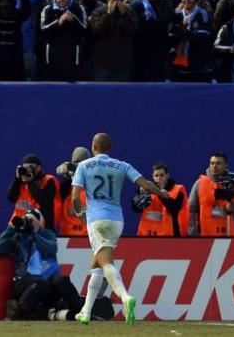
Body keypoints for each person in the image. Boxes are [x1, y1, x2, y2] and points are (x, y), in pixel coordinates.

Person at [71, 132, 168, 325]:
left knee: (105, 261)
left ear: (93, 146)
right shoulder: (121, 165)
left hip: (96, 219)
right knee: (96, 265)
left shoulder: (83, 166)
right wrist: (161, 192)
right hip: (116, 220)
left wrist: (79, 213)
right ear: (110, 148)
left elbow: (75, 197)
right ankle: (86, 312)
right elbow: (146, 185)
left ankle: (125, 297)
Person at [0, 208, 85, 321]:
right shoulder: (18, 236)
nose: (29, 223)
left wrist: (34, 235)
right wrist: (11, 229)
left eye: (32, 221)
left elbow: (51, 249)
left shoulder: (47, 234)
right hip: (23, 280)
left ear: (40, 223)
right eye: (27, 220)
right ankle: (16, 316)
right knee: (41, 283)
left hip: (48, 279)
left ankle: (80, 311)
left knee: (62, 280)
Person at [188, 152, 234, 237]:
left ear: (226, 166)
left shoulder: (233, 184)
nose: (214, 166)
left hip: (227, 234)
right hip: (204, 235)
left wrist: (233, 207)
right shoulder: (200, 184)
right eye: (212, 163)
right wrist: (193, 231)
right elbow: (190, 209)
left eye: (218, 163)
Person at [132, 163, 189, 236]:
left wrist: (160, 194)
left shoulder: (177, 190)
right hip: (147, 234)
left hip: (169, 234)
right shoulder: (146, 189)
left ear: (167, 175)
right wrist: (140, 195)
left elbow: (175, 210)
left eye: (162, 175)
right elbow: (136, 209)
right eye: (156, 176)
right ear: (152, 176)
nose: (159, 178)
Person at [8, 154, 60, 232]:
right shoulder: (21, 182)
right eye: (25, 168)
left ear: (39, 167)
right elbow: (11, 198)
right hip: (17, 225)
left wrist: (31, 183)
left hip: (41, 228)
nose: (27, 170)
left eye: (30, 167)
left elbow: (46, 203)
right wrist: (16, 179)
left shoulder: (49, 181)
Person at [55, 147, 90, 237]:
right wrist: (67, 174)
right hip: (67, 239)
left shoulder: (94, 186)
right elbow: (58, 170)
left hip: (89, 239)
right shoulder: (66, 188)